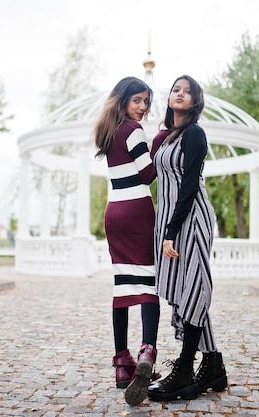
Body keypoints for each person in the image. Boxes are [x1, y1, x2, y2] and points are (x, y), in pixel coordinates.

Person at [147, 75, 228, 402]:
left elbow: (190, 185)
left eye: (187, 91)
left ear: (195, 101)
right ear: (169, 98)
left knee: (194, 286)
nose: (180, 94)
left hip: (191, 219)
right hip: (170, 220)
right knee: (187, 288)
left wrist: (171, 230)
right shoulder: (167, 137)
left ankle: (184, 370)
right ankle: (212, 366)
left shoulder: (194, 134)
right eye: (175, 90)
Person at [93, 76, 160, 406]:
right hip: (137, 212)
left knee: (122, 287)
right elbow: (148, 174)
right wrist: (159, 141)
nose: (143, 107)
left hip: (114, 213)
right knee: (147, 285)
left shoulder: (108, 132)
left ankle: (122, 364)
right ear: (122, 101)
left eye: (146, 101)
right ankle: (147, 351)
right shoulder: (134, 131)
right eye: (137, 100)